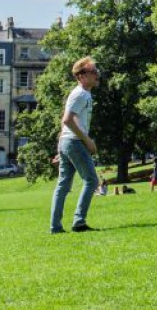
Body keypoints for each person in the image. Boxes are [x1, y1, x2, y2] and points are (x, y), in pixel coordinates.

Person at [50, 56, 101, 234]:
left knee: (63, 186)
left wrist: (62, 147)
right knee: (92, 180)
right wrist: (88, 141)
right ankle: (79, 221)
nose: (97, 74)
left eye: (96, 70)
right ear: (81, 76)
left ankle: (55, 227)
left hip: (68, 141)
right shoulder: (81, 94)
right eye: (93, 71)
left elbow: (66, 122)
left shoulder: (81, 94)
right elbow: (67, 120)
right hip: (74, 142)